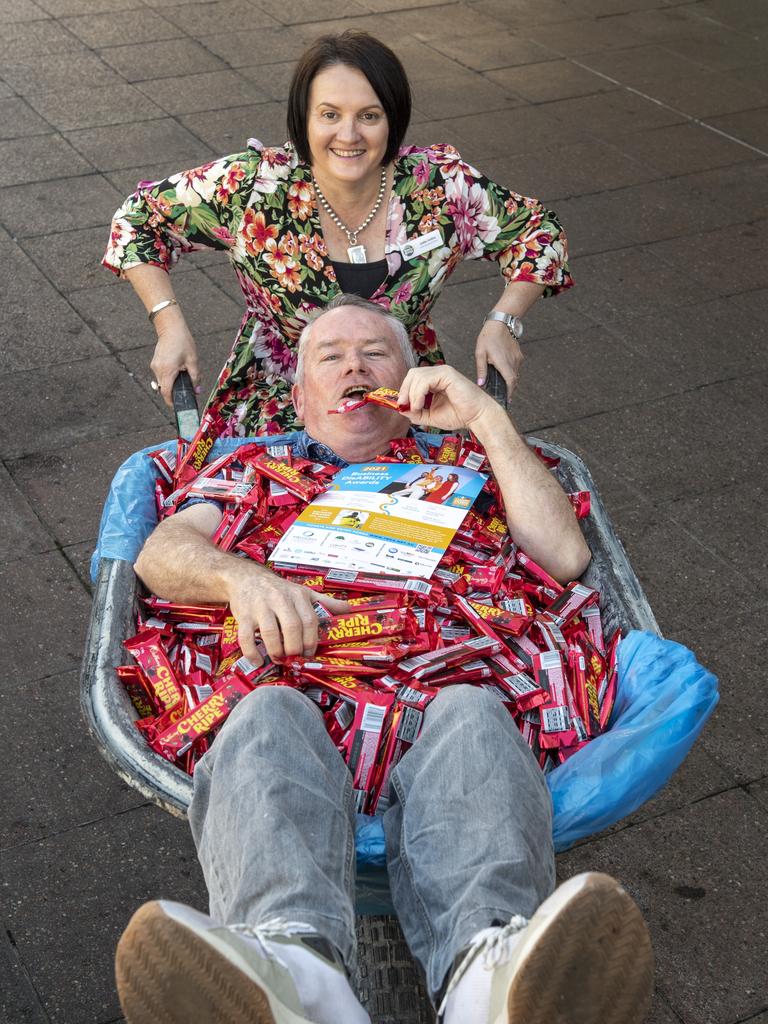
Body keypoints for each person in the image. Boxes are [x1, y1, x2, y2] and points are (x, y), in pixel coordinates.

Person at [116, 296, 653, 1024]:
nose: (353, 366)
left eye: (376, 353)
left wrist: (486, 420)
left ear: (411, 383)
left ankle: (487, 979)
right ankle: (296, 972)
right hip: (295, 686)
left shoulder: (468, 462)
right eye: (329, 356)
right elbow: (160, 554)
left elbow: (564, 555)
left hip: (455, 690)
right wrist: (244, 579)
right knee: (266, 715)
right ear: (300, 397)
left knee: (470, 712)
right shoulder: (254, 467)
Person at [102, 31, 573, 436]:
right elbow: (139, 218)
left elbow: (535, 229)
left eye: (369, 115)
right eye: (329, 114)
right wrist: (169, 325)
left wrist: (504, 322)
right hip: (278, 400)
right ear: (303, 119)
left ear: (393, 118)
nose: (348, 135)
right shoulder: (254, 185)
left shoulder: (438, 185)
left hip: (409, 396)